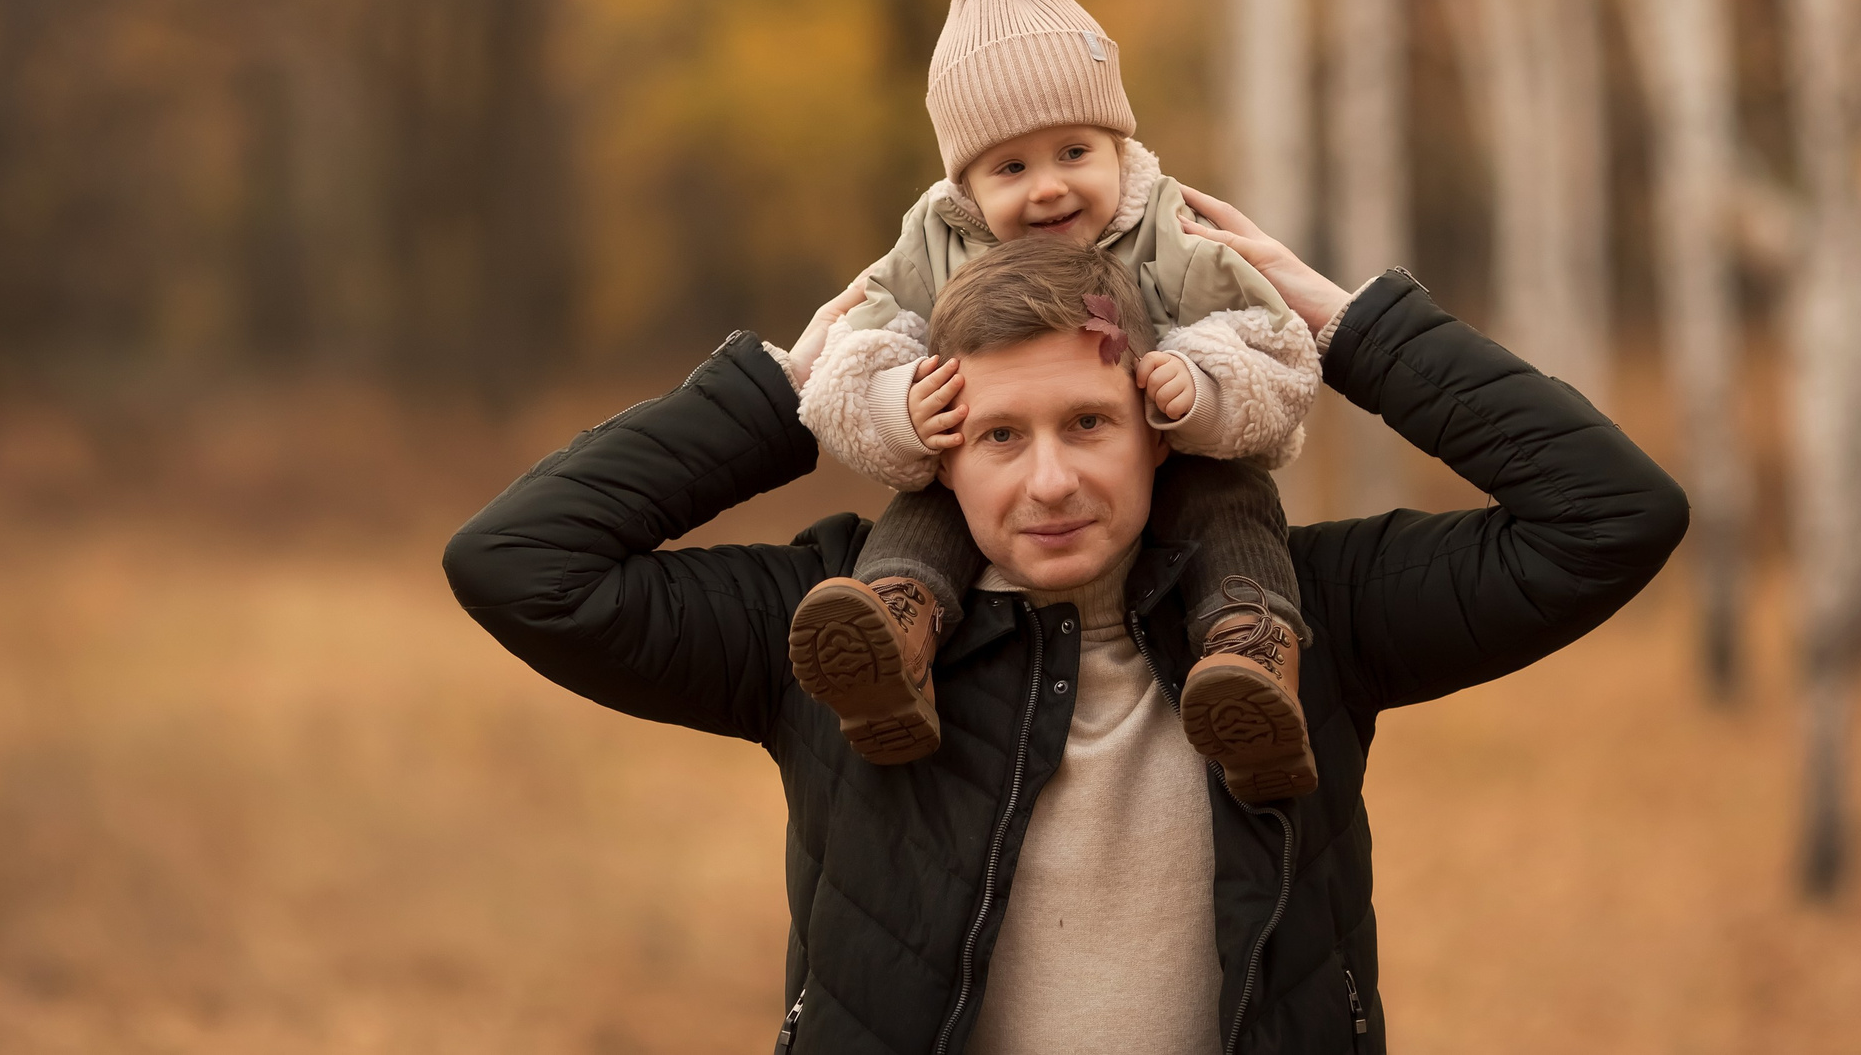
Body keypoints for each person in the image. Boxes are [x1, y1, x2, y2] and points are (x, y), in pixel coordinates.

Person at [445, 221, 1687, 1054]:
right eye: (999, 435)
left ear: (1157, 425)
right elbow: (520, 565)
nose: (1048, 482)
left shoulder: (1300, 619)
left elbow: (1610, 517)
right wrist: (778, 396)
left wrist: (1343, 328)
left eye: (1088, 423)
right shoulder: (840, 627)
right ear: (940, 445)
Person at [792, 0, 1321, 797]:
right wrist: (899, 409)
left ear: (1117, 147)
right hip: (978, 480)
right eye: (1012, 166)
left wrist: (1206, 386)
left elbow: (1279, 349)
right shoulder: (934, 241)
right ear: (965, 183)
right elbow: (859, 347)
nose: (1047, 188)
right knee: (929, 501)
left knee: (1230, 505)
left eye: (1074, 152)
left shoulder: (1175, 232)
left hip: (1184, 456)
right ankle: (894, 635)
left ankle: (1249, 658)